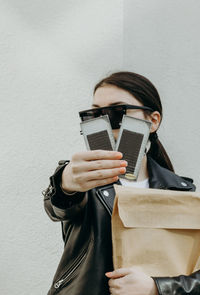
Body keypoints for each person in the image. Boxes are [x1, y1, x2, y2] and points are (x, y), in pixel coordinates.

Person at [43, 71, 199, 295]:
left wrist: (157, 287)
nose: (105, 123)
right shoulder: (84, 181)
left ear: (153, 121)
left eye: (117, 112)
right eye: (95, 114)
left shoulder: (182, 192)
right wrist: (64, 182)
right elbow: (57, 208)